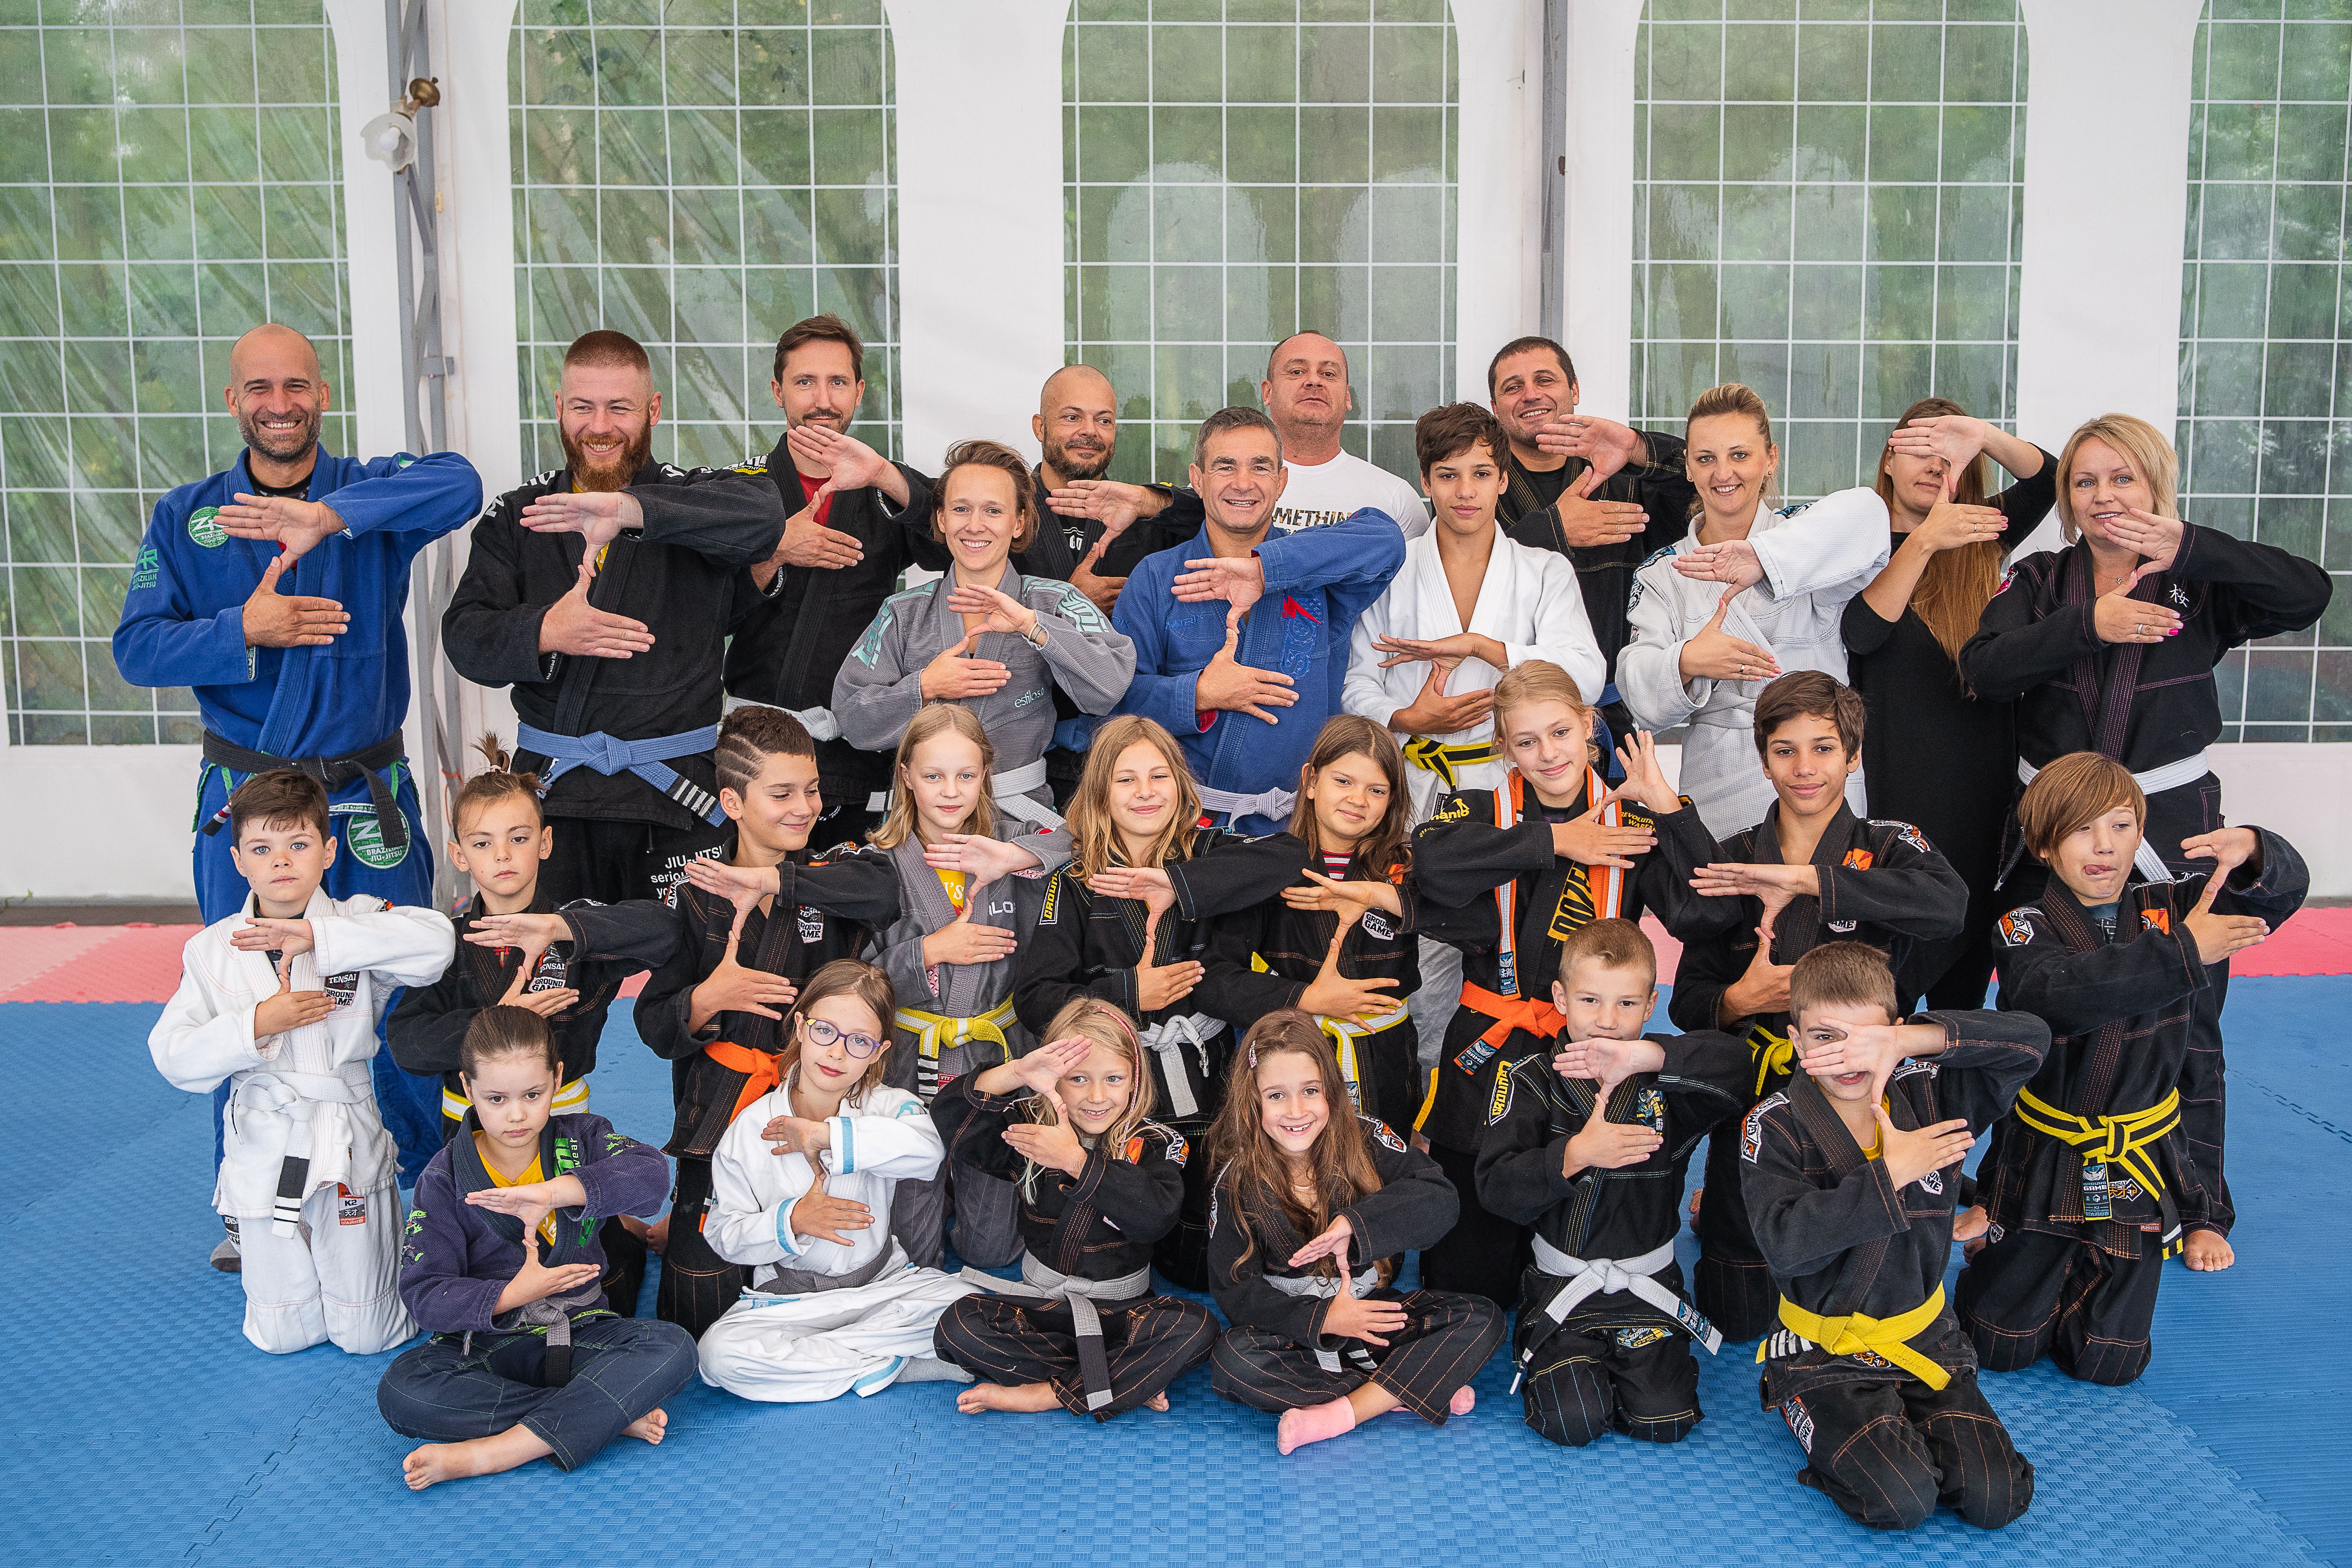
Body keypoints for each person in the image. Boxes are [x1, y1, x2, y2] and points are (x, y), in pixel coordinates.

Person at [112, 321, 481, 1244]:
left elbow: (465, 483)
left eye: (297, 385)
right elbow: (136, 648)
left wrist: (332, 518)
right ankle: (251, 1206)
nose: (280, 403)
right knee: (248, 991)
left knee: (397, 981)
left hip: (364, 795)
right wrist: (243, 627)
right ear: (234, 401)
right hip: (251, 802)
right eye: (259, 389)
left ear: (322, 393)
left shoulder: (372, 496)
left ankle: (412, 1187)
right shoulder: (189, 516)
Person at [1960, 412, 2329, 1256]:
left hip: (2169, 826)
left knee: (2191, 1014)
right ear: (2067, 499)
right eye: (2085, 481)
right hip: (2052, 831)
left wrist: (2194, 546)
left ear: (2157, 487)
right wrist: (2090, 626)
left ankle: (2201, 1204)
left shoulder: (2197, 583)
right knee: (2035, 1012)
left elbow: (2310, 593)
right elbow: (1982, 671)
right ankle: (2006, 1190)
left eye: (2123, 478)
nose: (2104, 496)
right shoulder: (2042, 581)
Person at [1958, 754, 2303, 1383]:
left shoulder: (2178, 909)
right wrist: (2184, 955)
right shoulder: (2022, 924)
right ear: (2042, 844)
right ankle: (2002, 1242)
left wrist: (2255, 849)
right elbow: (2054, 994)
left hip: (2135, 1159)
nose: (2104, 847)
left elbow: (2277, 897)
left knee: (2110, 1361)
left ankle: (2177, 1224)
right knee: (1998, 1343)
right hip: (2046, 1154)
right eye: (2081, 829)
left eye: (2120, 827)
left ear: (2141, 834)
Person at [686, 703, 1068, 1269]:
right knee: (911, 1238)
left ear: (987, 773)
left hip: (996, 1054)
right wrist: (928, 953)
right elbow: (858, 974)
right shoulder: (878, 863)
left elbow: (1083, 842)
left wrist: (1016, 853)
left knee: (992, 1244)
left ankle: (971, 1198)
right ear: (906, 776)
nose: (950, 792)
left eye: (966, 775)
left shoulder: (1016, 846)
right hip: (909, 1056)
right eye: (933, 775)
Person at [1407, 661, 1725, 1306]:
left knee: (1580, 1246)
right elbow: (1429, 867)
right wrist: (1555, 842)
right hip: (1488, 1052)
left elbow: (1709, 914)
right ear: (1504, 747)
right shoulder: (1478, 810)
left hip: (1588, 1051)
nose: (1546, 754)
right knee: (1467, 1285)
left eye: (1559, 733)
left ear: (1588, 726)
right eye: (1526, 741)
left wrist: (1666, 805)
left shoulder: (1633, 825)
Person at [1668, 671, 1970, 1342]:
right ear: (1762, 755)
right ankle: (1722, 1202)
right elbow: (1690, 1002)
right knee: (1735, 1312)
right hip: (1761, 1100)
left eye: (1823, 748)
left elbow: (1949, 908)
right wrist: (1744, 998)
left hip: (1863, 1088)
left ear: (1853, 755)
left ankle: (1934, 1212)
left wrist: (1807, 880)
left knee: (1864, 1287)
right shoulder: (1734, 858)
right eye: (1784, 750)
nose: (1803, 768)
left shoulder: (1890, 845)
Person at [442, 328, 788, 906]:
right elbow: (464, 638)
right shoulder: (519, 516)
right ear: (559, 408)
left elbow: (765, 515)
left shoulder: (692, 498)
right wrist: (548, 631)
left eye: (619, 408)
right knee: (556, 975)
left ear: (652, 410)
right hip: (552, 798)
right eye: (582, 406)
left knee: (682, 977)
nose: (599, 426)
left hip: (678, 795)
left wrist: (629, 510)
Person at [722, 316, 1071, 845]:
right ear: (778, 391)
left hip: (855, 751)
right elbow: (702, 612)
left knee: (849, 904)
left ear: (859, 392)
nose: (823, 399)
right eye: (805, 382)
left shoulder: (884, 488)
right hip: (756, 745)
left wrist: (883, 474)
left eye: (838, 382)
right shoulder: (740, 491)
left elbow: (960, 537)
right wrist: (774, 551)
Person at [149, 769, 454, 1354]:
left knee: (369, 1333)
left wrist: (321, 938)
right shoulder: (212, 949)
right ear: (239, 860)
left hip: (345, 1137)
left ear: (329, 850)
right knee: (282, 1334)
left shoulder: (357, 920)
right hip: (267, 1139)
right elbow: (174, 1058)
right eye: (262, 848)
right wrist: (258, 1026)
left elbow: (439, 944)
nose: (281, 862)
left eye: (298, 845)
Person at [1745, 943, 2044, 1532]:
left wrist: (1915, 1044)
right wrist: (1891, 1177)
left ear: (1895, 1035)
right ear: (1797, 1040)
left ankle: (1901, 1422)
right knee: (1900, 1503)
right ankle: (1799, 1404)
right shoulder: (1773, 1124)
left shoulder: (1933, 1092)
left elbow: (2031, 1040)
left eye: (1869, 1038)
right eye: (1826, 1037)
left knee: (1998, 1499)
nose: (1849, 1057)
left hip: (1924, 1337)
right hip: (1825, 1352)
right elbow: (1785, 1242)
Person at [1345, 402, 1605, 1066]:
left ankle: (1507, 1105)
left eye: (1482, 473)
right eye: (1448, 474)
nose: (1466, 491)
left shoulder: (1543, 571)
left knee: (1512, 948)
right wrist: (1409, 720)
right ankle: (1421, 1112)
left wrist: (1485, 647)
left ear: (1503, 479)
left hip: (1514, 788)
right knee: (1414, 953)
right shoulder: (1388, 570)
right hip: (1411, 787)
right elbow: (1354, 690)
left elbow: (1587, 676)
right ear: (1426, 482)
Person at [385, 736, 683, 1313]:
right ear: (458, 854)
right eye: (483, 843)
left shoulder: (578, 932)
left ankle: (616, 1241)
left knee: (607, 1281)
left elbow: (667, 933)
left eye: (519, 839)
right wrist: (500, 1020)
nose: (503, 856)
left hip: (567, 1131)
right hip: (473, 1133)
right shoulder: (445, 944)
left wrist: (566, 930)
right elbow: (407, 1043)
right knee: (480, 1258)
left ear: (545, 843)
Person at [632, 706, 900, 1337]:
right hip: (724, 1115)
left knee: (831, 1281)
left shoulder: (833, 870)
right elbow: (653, 1022)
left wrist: (777, 881)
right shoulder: (696, 890)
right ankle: (679, 1215)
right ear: (732, 800)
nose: (804, 807)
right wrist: (706, 998)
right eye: (781, 794)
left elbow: (885, 893)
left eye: (811, 790)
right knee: (696, 1316)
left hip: (822, 1110)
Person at [1011, 714, 1294, 1286]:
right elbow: (1036, 998)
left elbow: (1293, 856)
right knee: (1118, 1240)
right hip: (1115, 1102)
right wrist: (1127, 994)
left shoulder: (1213, 852)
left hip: (1208, 1086)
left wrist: (1180, 885)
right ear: (1099, 794)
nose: (1145, 793)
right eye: (1126, 780)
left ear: (1182, 786)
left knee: (1198, 1264)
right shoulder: (1072, 883)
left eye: (1159, 777)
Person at [376, 1006, 693, 1490]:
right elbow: (423, 1292)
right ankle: (602, 1411)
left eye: (533, 1093)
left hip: (582, 1332)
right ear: (467, 1086)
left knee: (675, 1348)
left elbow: (651, 1178)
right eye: (496, 1098)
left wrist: (555, 1191)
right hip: (485, 1347)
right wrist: (511, 1293)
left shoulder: (582, 1139)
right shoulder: (444, 1177)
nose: (518, 1113)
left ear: (557, 1078)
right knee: (402, 1391)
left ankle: (492, 1452)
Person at [1476, 919, 1746, 1448]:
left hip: (1648, 1288)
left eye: (1627, 1004)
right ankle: (1563, 1354)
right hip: (1564, 1287)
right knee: (1573, 1421)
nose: (1606, 1020)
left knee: (1665, 1421)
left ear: (1651, 1005)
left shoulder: (1667, 1085)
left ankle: (1634, 1368)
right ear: (1561, 996)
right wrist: (1574, 1154)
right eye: (1591, 1000)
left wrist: (1649, 1055)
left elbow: (1739, 1067)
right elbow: (1495, 1186)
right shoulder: (1528, 1077)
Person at [1100, 717, 1424, 1132]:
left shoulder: (1408, 869)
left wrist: (1382, 894)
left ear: (1393, 798)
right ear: (1310, 781)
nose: (1358, 799)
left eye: (1377, 790)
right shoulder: (1266, 873)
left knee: (1381, 1173)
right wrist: (1308, 998)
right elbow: (1213, 982)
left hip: (1387, 1059)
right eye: (1343, 781)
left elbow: (1474, 924)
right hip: (1291, 1067)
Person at [1204, 1012, 1502, 1455]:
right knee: (1234, 1361)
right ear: (1253, 1103)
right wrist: (1322, 1319)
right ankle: (1406, 1389)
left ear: (1332, 1087)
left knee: (1483, 1318)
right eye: (1276, 1095)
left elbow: (1440, 1198)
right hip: (1297, 1335)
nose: (1297, 1110)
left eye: (1310, 1090)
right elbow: (1235, 1292)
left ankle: (1358, 1403)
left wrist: (1356, 1224)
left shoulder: (1367, 1138)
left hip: (1372, 1318)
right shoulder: (1236, 1181)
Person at [1842, 399, 2058, 1009]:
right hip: (1896, 795)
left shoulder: (1981, 532)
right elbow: (1861, 634)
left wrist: (1984, 435)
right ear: (1888, 457)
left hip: (1984, 800)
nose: (1935, 468)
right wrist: (1923, 543)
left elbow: (2048, 476)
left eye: (1950, 456)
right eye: (1919, 451)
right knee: (1883, 997)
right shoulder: (1855, 539)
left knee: (1961, 1001)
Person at [695, 960, 982, 1401]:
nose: (837, 1052)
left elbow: (928, 1154)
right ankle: (893, 1363)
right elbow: (724, 1234)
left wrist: (826, 1134)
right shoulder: (749, 1129)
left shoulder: (889, 1106)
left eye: (859, 1041)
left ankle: (833, 1361)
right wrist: (793, 1220)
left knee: (976, 1308)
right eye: (825, 1030)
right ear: (799, 1026)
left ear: (880, 1051)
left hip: (886, 1287)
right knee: (719, 1355)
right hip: (790, 1303)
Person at [1112, 406, 1406, 834]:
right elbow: (1117, 701)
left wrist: (1265, 569)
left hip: (1297, 831)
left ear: (1282, 481)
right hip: (1184, 830)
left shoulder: (1316, 575)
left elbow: (1388, 539)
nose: (1243, 482)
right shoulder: (1158, 577)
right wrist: (1197, 692)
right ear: (1197, 478)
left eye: (1261, 467)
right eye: (1225, 466)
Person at [1616, 382, 1891, 838]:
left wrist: (1764, 557)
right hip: (1724, 780)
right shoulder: (1664, 572)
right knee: (1729, 902)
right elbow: (1638, 692)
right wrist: (1689, 659)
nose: (1723, 472)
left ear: (1771, 458)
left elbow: (1871, 516)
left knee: (1828, 899)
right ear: (1688, 466)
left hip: (1820, 768)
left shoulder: (1802, 537)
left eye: (1740, 455)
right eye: (1706, 458)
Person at [931, 1002, 1219, 1418]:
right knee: (958, 1325)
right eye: (1078, 1079)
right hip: (1043, 1307)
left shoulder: (1159, 1141)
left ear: (1136, 1078)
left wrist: (1077, 1162)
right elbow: (950, 1117)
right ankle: (1120, 1379)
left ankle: (1046, 1392)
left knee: (1197, 1327)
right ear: (1054, 1081)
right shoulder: (1031, 1128)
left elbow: (1155, 1217)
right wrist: (1016, 1073)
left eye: (1114, 1078)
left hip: (1124, 1312)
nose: (1097, 1096)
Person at [831, 439, 1136, 828]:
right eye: (961, 510)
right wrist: (923, 685)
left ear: (1019, 522)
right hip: (921, 827)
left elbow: (1111, 686)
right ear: (941, 520)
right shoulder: (903, 612)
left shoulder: (1055, 600)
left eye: (993, 511)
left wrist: (1033, 626)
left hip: (1021, 823)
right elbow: (853, 718)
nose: (975, 526)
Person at [1485, 335, 1695, 742]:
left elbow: (1704, 485)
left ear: (1574, 390)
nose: (1530, 394)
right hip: (1506, 718)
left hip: (1606, 717)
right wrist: (1553, 530)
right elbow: (1464, 582)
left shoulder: (1623, 480)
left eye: (1545, 380)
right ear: (1496, 407)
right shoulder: (1478, 487)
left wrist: (1637, 447)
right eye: (1513, 387)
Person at [1031, 362, 1206, 608]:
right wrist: (1065, 605)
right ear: (1040, 428)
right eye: (1073, 418)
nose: (1090, 431)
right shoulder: (1006, 512)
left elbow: (1219, 517)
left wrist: (1145, 501)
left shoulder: (1139, 515)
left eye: (1104, 421)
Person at [1256, 331, 1431, 537]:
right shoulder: (1233, 488)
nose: (1314, 381)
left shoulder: (1396, 498)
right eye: (1297, 372)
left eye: (1328, 374)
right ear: (1268, 392)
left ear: (1348, 397)